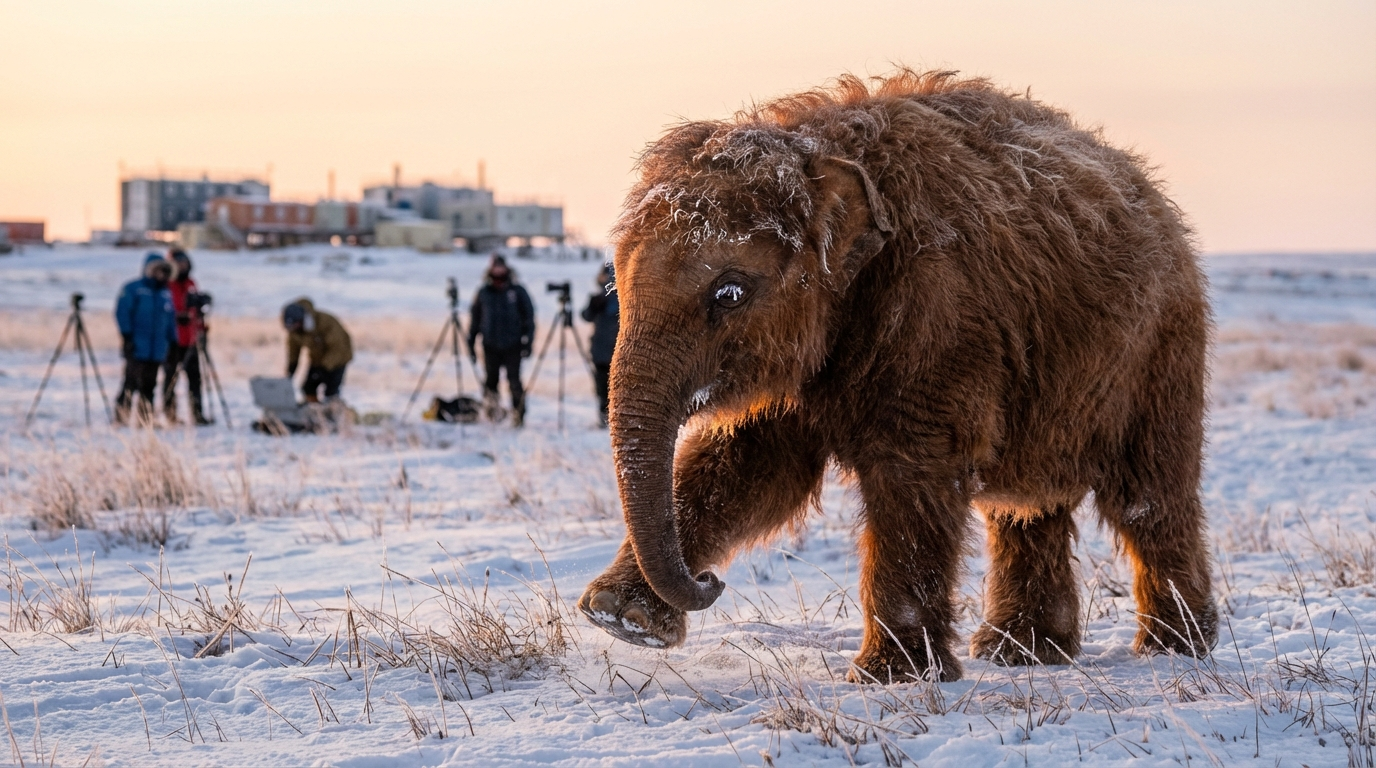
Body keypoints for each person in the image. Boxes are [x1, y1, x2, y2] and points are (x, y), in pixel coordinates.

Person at [467, 255, 534, 427]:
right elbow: (475, 319)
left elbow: (529, 317)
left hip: (513, 344)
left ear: (506, 268)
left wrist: (528, 341)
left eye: (500, 266)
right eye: (495, 267)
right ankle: (492, 413)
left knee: (514, 381)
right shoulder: (483, 292)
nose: (498, 270)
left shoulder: (517, 291)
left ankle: (518, 415)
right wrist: (471, 343)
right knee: (491, 380)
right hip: (490, 344)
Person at [114, 253, 177, 425]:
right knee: (131, 383)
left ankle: (144, 419)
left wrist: (173, 340)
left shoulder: (165, 293)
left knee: (150, 385)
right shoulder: (133, 289)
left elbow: (170, 319)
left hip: (157, 348)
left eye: (163, 271)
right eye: (157, 270)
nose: (160, 274)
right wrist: (127, 336)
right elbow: (123, 313)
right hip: (137, 345)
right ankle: (121, 417)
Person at [160, 249, 210, 425]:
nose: (182, 266)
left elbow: (195, 311)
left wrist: (202, 328)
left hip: (191, 339)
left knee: (195, 380)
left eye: (185, 263)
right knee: (170, 379)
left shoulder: (190, 283)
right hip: (173, 341)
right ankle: (170, 414)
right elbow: (164, 311)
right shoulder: (166, 284)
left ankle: (197, 414)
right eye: (178, 263)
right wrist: (178, 317)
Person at [281, 298, 353, 402]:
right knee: (308, 387)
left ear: (301, 320)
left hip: (339, 359)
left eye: (294, 325)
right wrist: (291, 369)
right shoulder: (295, 331)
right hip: (317, 360)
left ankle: (332, 413)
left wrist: (324, 369)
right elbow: (294, 351)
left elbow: (338, 349)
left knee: (331, 391)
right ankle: (313, 411)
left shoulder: (325, 322)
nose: (292, 328)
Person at [580, 262, 619, 428]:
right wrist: (593, 305)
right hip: (601, 350)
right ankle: (604, 419)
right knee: (602, 387)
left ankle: (615, 421)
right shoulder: (598, 298)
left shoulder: (625, 299)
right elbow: (586, 316)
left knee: (617, 388)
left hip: (616, 350)